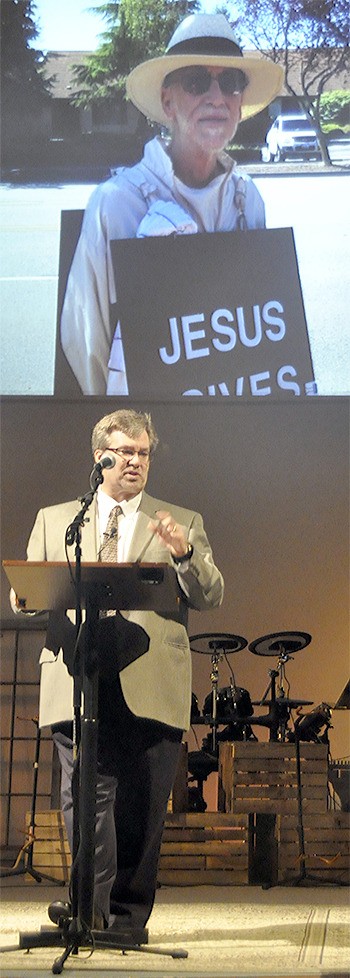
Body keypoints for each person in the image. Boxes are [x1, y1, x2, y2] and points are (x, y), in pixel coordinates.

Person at [11, 408, 224, 943]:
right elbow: (33, 596)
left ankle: (127, 919)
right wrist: (22, 597)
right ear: (100, 457)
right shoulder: (56, 518)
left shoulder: (182, 520)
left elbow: (211, 594)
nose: (135, 462)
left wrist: (183, 553)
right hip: (78, 675)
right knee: (82, 800)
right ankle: (87, 911)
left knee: (140, 807)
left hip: (150, 678)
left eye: (143, 453)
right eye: (125, 452)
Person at [60, 12, 283, 394]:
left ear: (240, 100)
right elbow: (87, 348)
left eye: (229, 82)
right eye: (197, 81)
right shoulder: (115, 206)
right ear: (168, 101)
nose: (216, 98)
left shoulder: (250, 201)